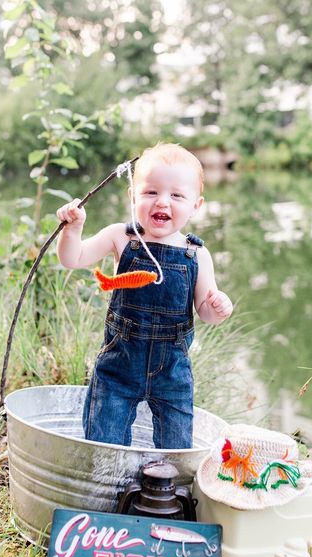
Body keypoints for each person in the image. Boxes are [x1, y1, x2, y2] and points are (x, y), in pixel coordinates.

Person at [56, 143, 233, 449]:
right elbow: (73, 258)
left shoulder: (197, 254)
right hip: (119, 365)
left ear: (196, 205)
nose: (162, 202)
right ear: (133, 196)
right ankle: (107, 488)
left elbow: (204, 310)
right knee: (105, 439)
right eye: (151, 192)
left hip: (172, 372)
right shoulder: (120, 237)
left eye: (176, 195)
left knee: (175, 445)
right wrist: (73, 230)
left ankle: (165, 492)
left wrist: (217, 307)